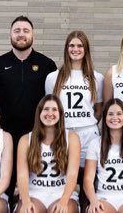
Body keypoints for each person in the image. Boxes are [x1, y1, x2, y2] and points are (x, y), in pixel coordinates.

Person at [0, 15, 56, 198]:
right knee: (6, 184)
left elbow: (52, 103)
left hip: (37, 136)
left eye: (26, 30)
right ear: (10, 34)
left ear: (33, 35)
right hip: (5, 136)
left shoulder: (47, 65)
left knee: (35, 186)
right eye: (17, 30)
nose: (21, 34)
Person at [45, 30, 104, 209]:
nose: (75, 49)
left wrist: (85, 122)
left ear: (86, 49)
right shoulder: (53, 77)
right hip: (63, 134)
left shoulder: (97, 78)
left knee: (88, 179)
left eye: (80, 46)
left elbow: (99, 109)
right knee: (63, 177)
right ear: (66, 48)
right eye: (72, 45)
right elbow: (50, 106)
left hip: (88, 134)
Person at [15, 95, 81, 213]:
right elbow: (22, 175)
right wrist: (26, 201)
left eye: (54, 109)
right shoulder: (25, 140)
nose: (50, 113)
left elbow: (73, 173)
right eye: (46, 109)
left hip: (62, 193)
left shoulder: (72, 138)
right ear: (39, 113)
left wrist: (63, 201)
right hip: (34, 193)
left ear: (60, 114)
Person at [83, 99, 123, 213]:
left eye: (119, 114)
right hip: (104, 197)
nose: (115, 117)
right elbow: (88, 179)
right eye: (110, 114)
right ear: (104, 117)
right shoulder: (95, 144)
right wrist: (93, 201)